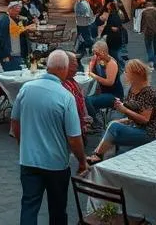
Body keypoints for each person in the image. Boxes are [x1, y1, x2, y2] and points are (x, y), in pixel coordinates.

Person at [11, 49, 87, 225]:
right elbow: (74, 137)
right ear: (65, 69)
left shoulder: (26, 88)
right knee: (58, 209)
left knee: (29, 206)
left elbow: (15, 121)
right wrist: (82, 161)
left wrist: (22, 144)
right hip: (56, 164)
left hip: (29, 160)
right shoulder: (65, 97)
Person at [88, 59, 156, 163]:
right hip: (135, 127)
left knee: (113, 129)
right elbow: (133, 117)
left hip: (148, 133)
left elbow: (145, 120)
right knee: (110, 127)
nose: (124, 74)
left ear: (135, 74)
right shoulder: (133, 89)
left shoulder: (148, 92)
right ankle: (103, 159)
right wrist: (122, 119)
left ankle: (98, 156)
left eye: (126, 72)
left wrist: (124, 109)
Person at [85, 41, 124, 127]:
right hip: (102, 92)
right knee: (83, 97)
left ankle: (96, 123)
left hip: (114, 95)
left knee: (87, 100)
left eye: (98, 54)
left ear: (105, 52)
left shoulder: (111, 63)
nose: (96, 56)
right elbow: (89, 69)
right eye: (94, 53)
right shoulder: (97, 58)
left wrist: (94, 76)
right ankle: (93, 118)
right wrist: (92, 63)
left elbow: (110, 82)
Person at [61, 53, 91, 131]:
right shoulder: (63, 86)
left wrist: (86, 118)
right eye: (74, 64)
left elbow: (81, 101)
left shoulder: (72, 81)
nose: (77, 68)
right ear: (66, 66)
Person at [0, 2, 26, 72]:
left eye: (19, 12)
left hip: (16, 53)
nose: (18, 13)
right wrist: (6, 55)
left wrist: (21, 22)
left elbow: (21, 31)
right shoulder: (4, 20)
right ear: (10, 10)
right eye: (16, 11)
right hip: (10, 55)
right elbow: (2, 39)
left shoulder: (16, 19)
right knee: (11, 73)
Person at [139, 0, 156, 71]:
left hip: (148, 31)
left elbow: (142, 22)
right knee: (155, 47)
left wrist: (141, 30)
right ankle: (154, 61)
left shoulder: (144, 12)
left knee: (149, 47)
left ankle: (151, 62)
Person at [73, 0, 93, 64]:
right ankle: (82, 48)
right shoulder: (83, 3)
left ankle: (88, 47)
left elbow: (86, 13)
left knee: (84, 36)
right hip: (82, 23)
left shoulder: (82, 4)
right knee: (82, 36)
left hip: (82, 23)